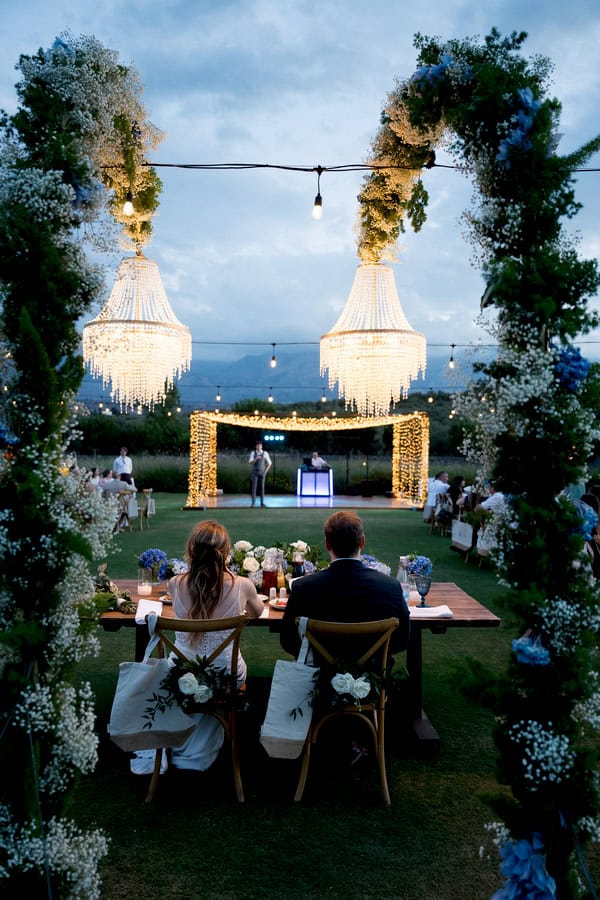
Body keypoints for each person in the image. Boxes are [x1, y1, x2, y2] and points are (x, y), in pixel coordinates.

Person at [166, 520, 264, 771]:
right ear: (226, 552)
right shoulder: (242, 585)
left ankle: (177, 735)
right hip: (226, 674)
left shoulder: (175, 584)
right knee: (224, 665)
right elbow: (258, 612)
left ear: (191, 549)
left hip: (181, 671)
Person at [280, 510, 410, 659]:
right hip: (371, 677)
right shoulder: (390, 587)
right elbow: (402, 640)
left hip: (319, 677)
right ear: (362, 542)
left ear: (327, 544)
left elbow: (288, 641)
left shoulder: (303, 588)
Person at [248, 441, 271, 507]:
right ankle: (253, 503)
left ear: (261, 446)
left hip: (262, 472)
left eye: (260, 446)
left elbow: (269, 463)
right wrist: (256, 459)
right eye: (257, 446)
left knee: (262, 488)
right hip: (255, 472)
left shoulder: (265, 453)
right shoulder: (253, 453)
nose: (258, 447)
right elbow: (250, 462)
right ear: (256, 446)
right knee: (254, 488)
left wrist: (265, 472)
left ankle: (262, 503)